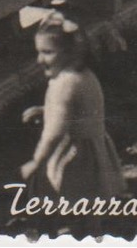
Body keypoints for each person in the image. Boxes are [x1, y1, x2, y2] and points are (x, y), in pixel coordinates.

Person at [20, 12, 126, 218]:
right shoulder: (85, 76)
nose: (39, 59)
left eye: (48, 52)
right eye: (38, 52)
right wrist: (44, 110)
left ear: (71, 53)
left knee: (61, 206)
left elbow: (54, 132)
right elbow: (76, 112)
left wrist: (37, 161)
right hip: (93, 152)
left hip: (72, 157)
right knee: (87, 211)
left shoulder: (65, 84)